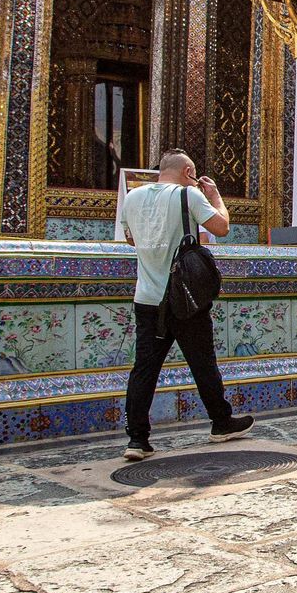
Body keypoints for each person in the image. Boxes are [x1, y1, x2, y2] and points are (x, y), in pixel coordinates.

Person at [118, 150, 253, 461]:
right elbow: (221, 227)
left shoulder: (133, 198)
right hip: (185, 298)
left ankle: (137, 439)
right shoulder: (188, 195)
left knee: (144, 369)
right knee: (203, 363)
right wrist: (216, 195)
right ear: (189, 171)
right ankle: (221, 423)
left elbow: (130, 239)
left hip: (148, 298)